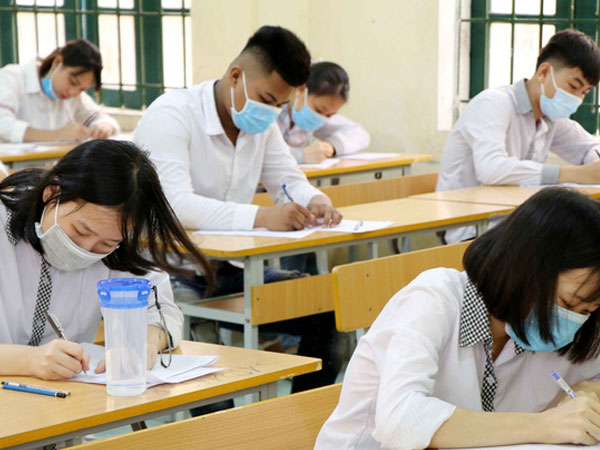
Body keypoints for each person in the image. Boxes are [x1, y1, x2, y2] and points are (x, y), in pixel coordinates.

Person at [134, 25, 343, 396]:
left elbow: (286, 180)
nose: (271, 112)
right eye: (267, 99)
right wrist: (261, 217)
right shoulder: (171, 115)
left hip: (228, 269)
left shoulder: (262, 125)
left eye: (279, 105)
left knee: (327, 310)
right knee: (204, 368)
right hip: (170, 270)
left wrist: (315, 200)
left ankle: (301, 419)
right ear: (235, 76)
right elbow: (174, 205)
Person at [316, 187, 600, 450]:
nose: (572, 322)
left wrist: (588, 392)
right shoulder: (433, 300)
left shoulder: (572, 328)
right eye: (567, 304)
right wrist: (543, 425)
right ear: (525, 268)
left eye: (586, 311)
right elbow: (400, 420)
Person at [0, 139, 213, 380]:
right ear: (53, 193)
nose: (85, 250)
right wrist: (29, 360)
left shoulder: (118, 246)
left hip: (66, 394)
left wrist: (142, 344)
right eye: (80, 231)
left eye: (106, 244)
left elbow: (163, 311)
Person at [437, 29, 600, 243]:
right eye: (573, 86)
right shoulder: (494, 103)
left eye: (584, 92)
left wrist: (594, 166)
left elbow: (589, 147)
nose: (577, 98)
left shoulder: (551, 117)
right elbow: (491, 169)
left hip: (513, 225)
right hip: (470, 229)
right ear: (544, 72)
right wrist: (577, 174)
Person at [0, 38, 119, 144]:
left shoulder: (74, 95)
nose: (73, 93)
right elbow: (3, 124)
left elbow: (101, 118)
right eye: (73, 82)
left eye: (82, 89)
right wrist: (57, 135)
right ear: (56, 63)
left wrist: (104, 126)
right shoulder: (12, 77)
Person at [276, 61, 370, 164]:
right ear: (301, 89)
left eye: (329, 115)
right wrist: (300, 155)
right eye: (319, 110)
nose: (321, 118)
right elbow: (266, 150)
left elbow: (360, 134)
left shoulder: (321, 117)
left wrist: (331, 146)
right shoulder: (272, 111)